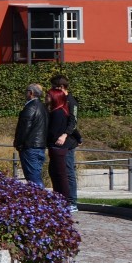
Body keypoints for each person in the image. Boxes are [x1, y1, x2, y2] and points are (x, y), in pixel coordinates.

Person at [50, 74, 81, 206]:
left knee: (68, 171)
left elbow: (73, 122)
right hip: (60, 142)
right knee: (57, 171)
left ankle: (72, 201)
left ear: (61, 87)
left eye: (54, 87)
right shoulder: (59, 100)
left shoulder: (70, 101)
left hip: (67, 142)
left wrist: (65, 135)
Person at [13, 84, 48, 187]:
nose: (25, 93)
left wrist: (18, 143)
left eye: (26, 91)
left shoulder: (30, 107)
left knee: (33, 178)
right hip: (40, 145)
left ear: (31, 93)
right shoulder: (43, 107)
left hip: (30, 146)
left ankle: (40, 199)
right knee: (36, 174)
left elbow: (24, 128)